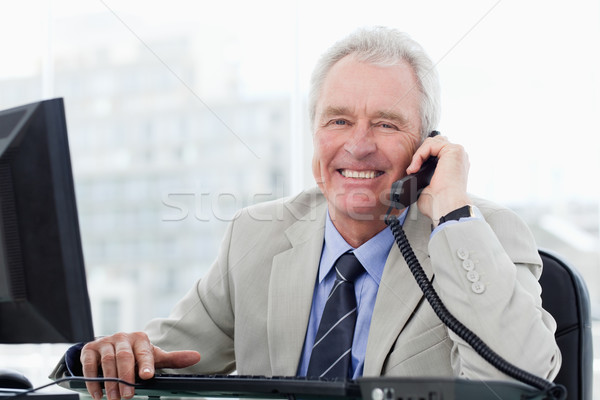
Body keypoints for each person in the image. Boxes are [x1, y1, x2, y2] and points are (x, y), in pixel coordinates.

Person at [73, 26, 561, 400]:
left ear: (427, 146)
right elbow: (166, 358)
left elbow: (522, 381)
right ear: (314, 135)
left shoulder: (482, 235)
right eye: (339, 120)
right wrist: (109, 358)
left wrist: (450, 214)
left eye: (387, 124)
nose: (359, 145)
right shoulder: (256, 237)